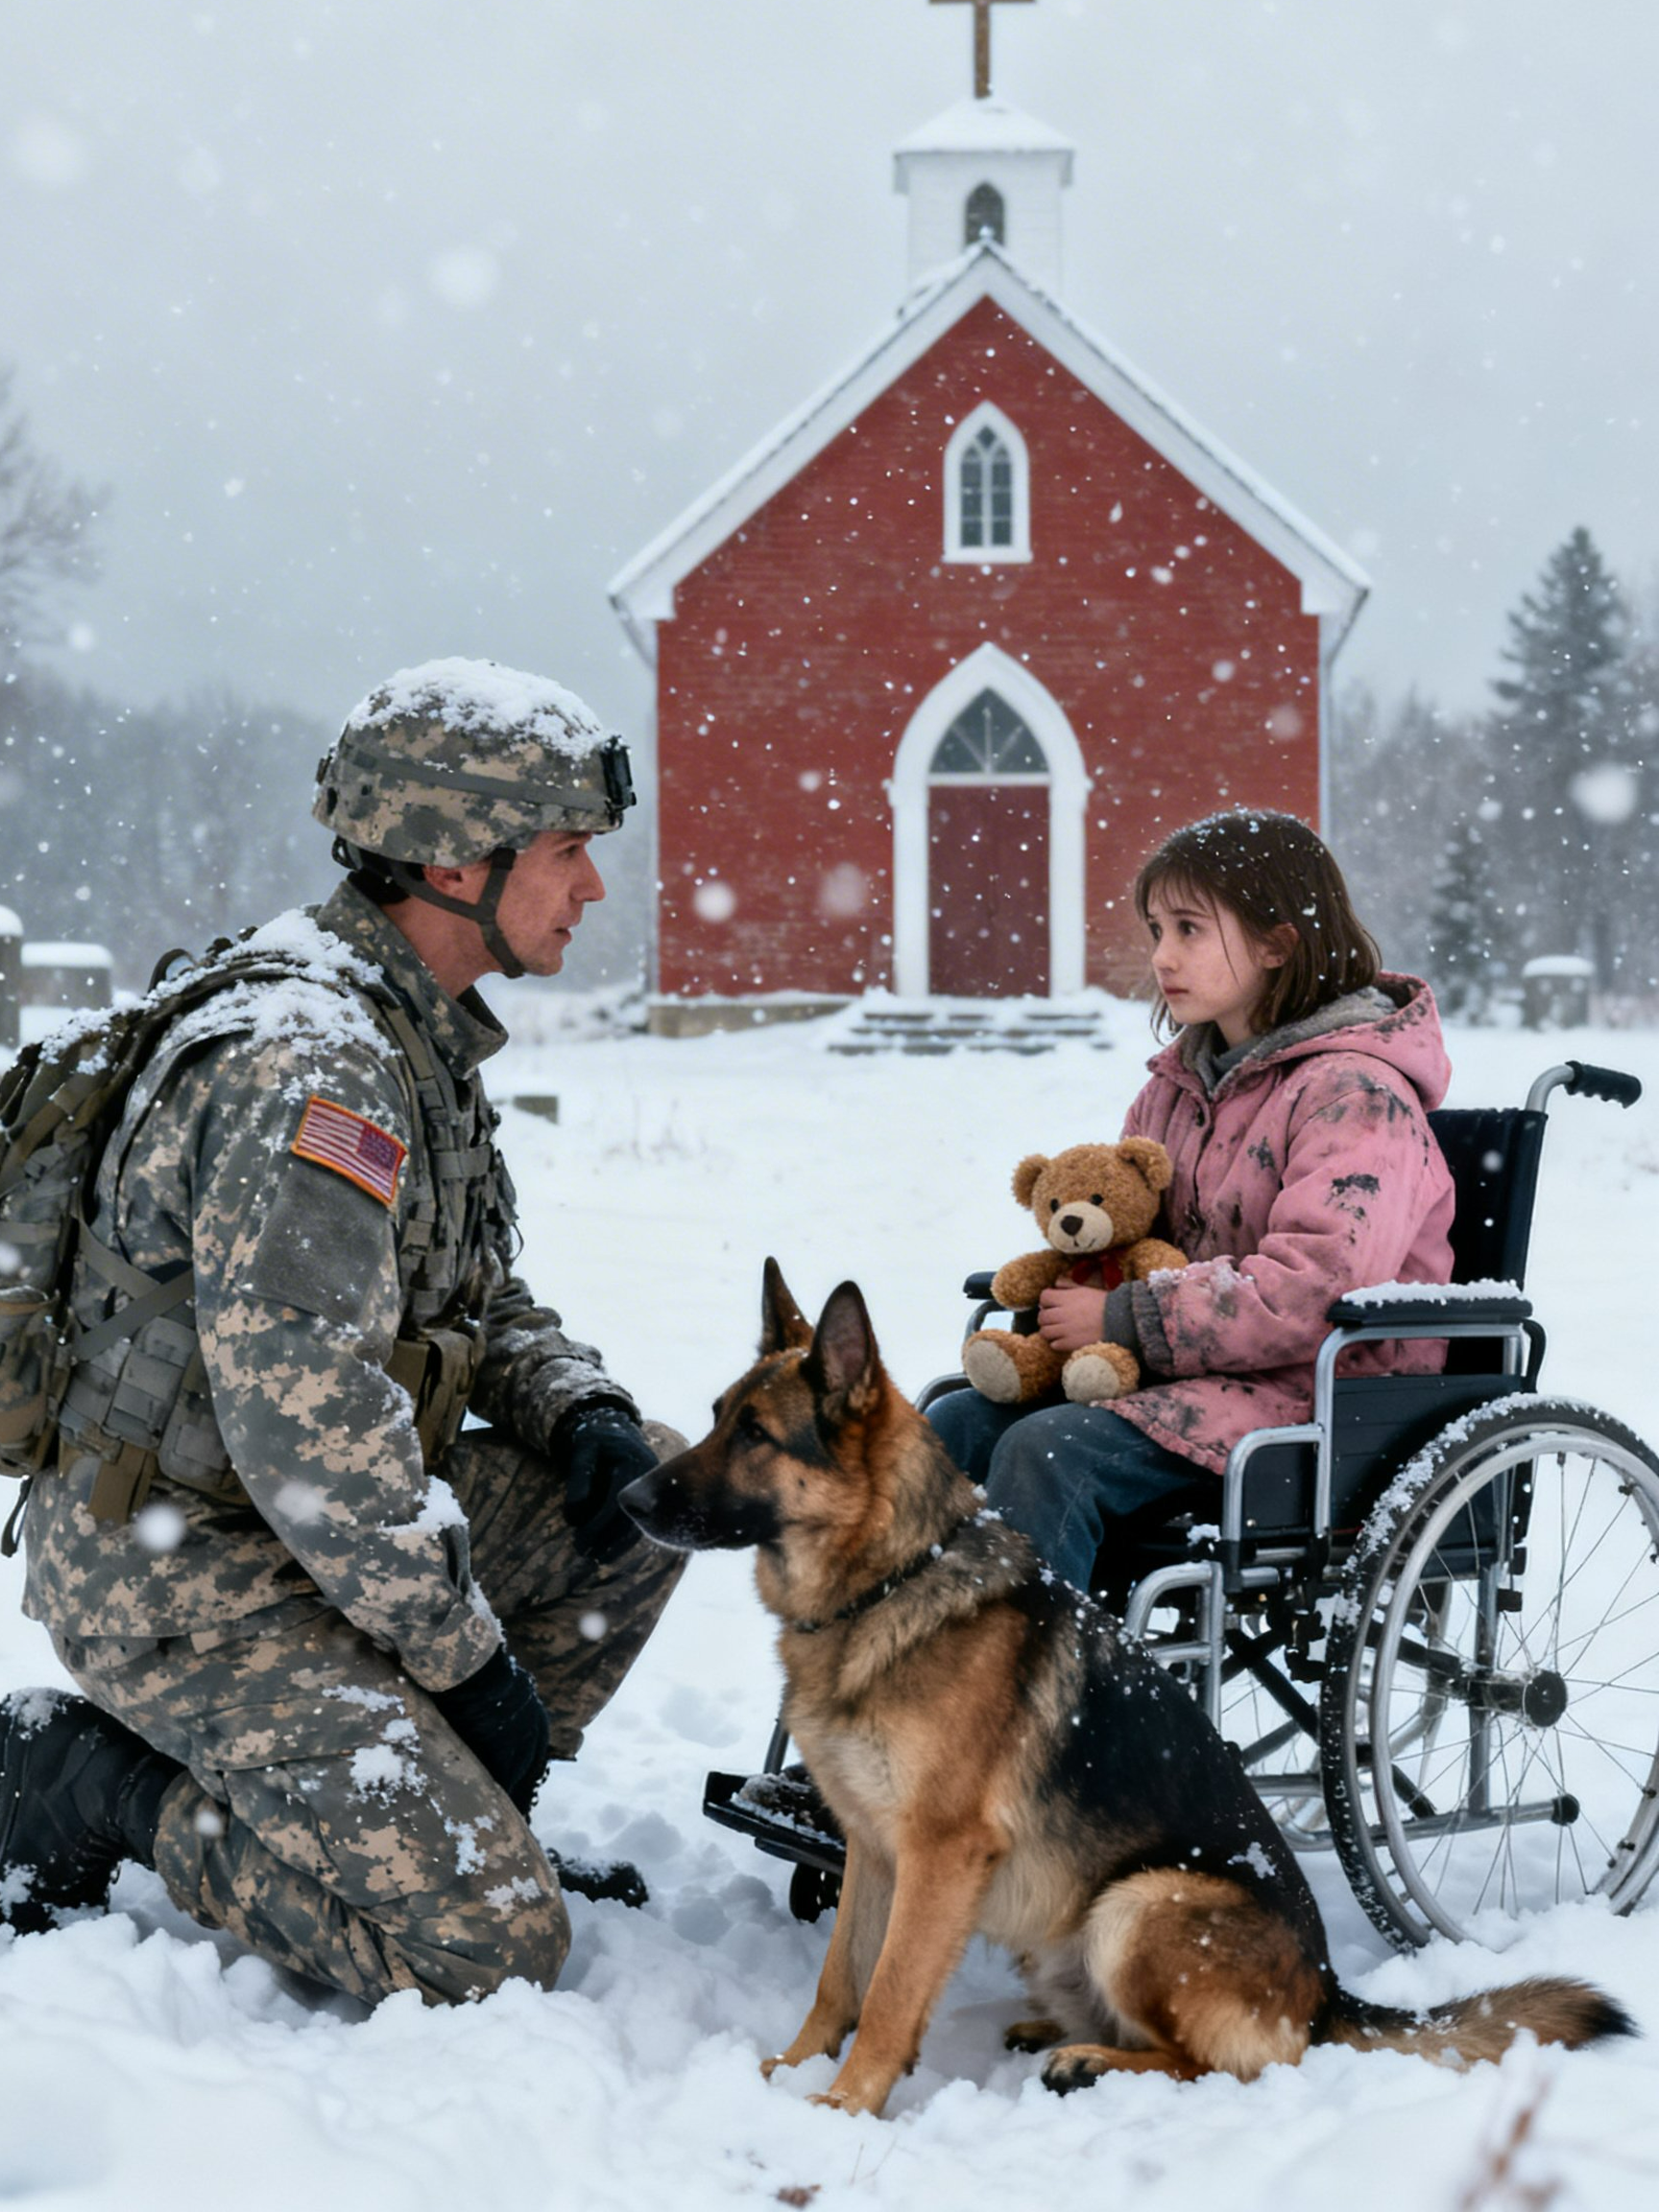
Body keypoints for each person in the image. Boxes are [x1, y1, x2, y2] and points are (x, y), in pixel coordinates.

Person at [0, 657, 685, 2005]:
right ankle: (101, 1788)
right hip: (189, 1577)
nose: (592, 889)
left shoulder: (405, 1038)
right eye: (566, 853)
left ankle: (438, 1818)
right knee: (489, 1950)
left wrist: (579, 1410)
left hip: (297, 1536)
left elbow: (470, 1301)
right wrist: (466, 1659)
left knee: (649, 1490)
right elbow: (302, 1416)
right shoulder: (313, 1066)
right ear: (449, 863)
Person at [928, 808, 1455, 1598]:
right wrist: (1075, 1291)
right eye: (1155, 930)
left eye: (1188, 929)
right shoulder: (1172, 1093)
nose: (1162, 957)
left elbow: (1319, 1285)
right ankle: (914, 1671)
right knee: (949, 1429)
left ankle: (1032, 1702)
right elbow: (1134, 1238)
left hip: (1325, 1400)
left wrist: (1127, 1319)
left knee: (1047, 1452)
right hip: (1195, 1385)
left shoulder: (1355, 1094)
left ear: (1277, 944)